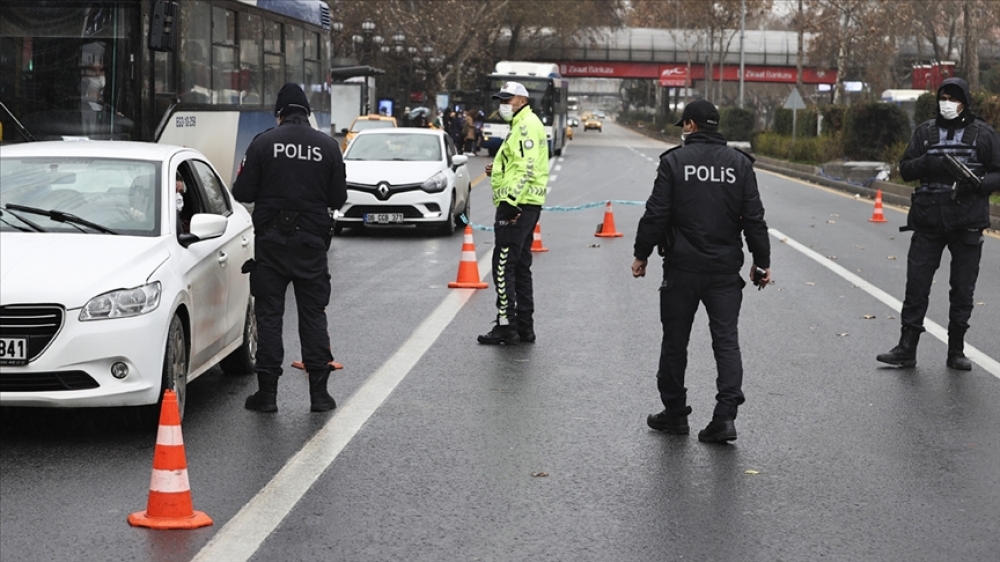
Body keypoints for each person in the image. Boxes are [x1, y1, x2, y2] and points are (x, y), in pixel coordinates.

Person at [631, 99, 770, 444]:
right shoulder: (740, 164)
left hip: (682, 268)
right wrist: (761, 262)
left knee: (675, 341)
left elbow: (656, 213)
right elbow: (753, 218)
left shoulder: (674, 162)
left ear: (691, 125)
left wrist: (641, 254)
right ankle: (724, 418)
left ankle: (675, 414)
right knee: (726, 342)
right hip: (725, 271)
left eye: (684, 126)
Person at [232, 83, 348, 413]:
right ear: (307, 113)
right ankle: (320, 395)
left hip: (270, 245)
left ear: (279, 114)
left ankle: (267, 395)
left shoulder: (263, 143)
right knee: (313, 316)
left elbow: (243, 190)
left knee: (269, 317)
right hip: (311, 244)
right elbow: (338, 198)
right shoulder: (327, 146)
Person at [877, 77, 1000, 370]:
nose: (947, 103)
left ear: (964, 102)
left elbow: (998, 172)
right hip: (928, 221)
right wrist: (928, 164)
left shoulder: (983, 134)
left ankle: (956, 350)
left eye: (953, 98)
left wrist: (978, 185)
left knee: (962, 289)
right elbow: (906, 169)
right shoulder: (925, 132)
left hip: (967, 223)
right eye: (943, 97)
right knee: (916, 286)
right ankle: (907, 348)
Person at [478, 81, 548, 345]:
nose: (503, 105)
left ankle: (507, 326)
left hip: (518, 206)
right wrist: (496, 169)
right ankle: (524, 326)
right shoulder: (521, 124)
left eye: (508, 100)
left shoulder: (526, 125)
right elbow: (516, 164)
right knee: (520, 266)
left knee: (503, 265)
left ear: (522, 100)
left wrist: (509, 202)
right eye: (501, 100)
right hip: (527, 204)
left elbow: (527, 167)